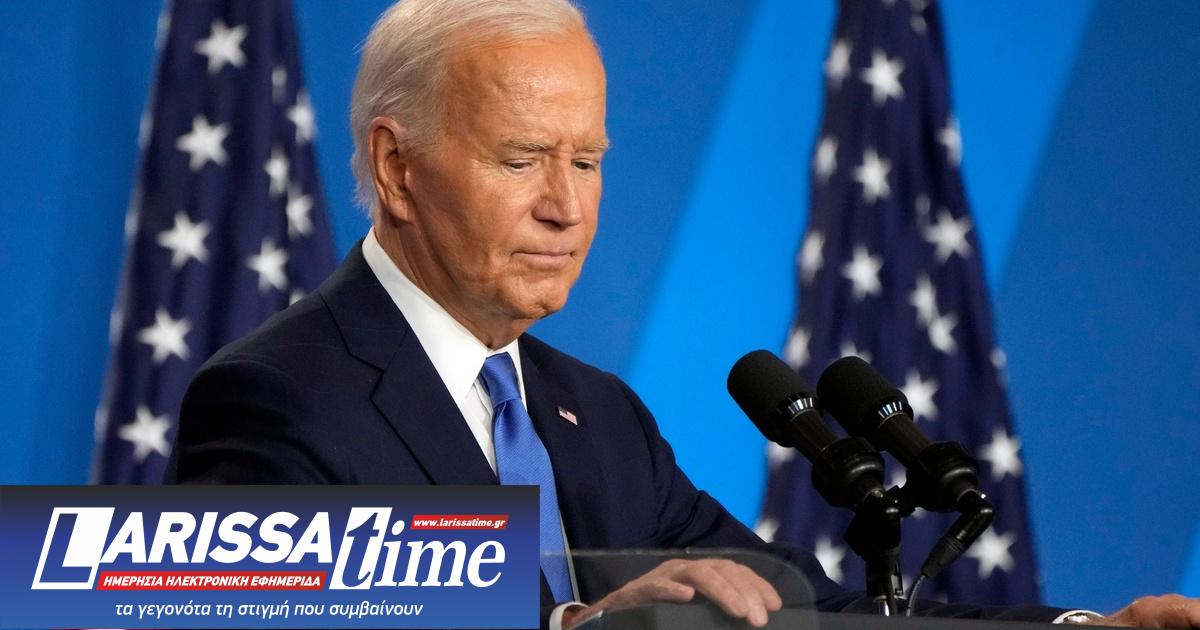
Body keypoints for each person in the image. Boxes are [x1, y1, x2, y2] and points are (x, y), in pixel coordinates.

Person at [166, 1, 1200, 628]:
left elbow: (809, 612)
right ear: (397, 168)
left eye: (587, 161)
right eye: (522, 159)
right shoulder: (276, 397)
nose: (566, 206)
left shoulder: (598, 416)